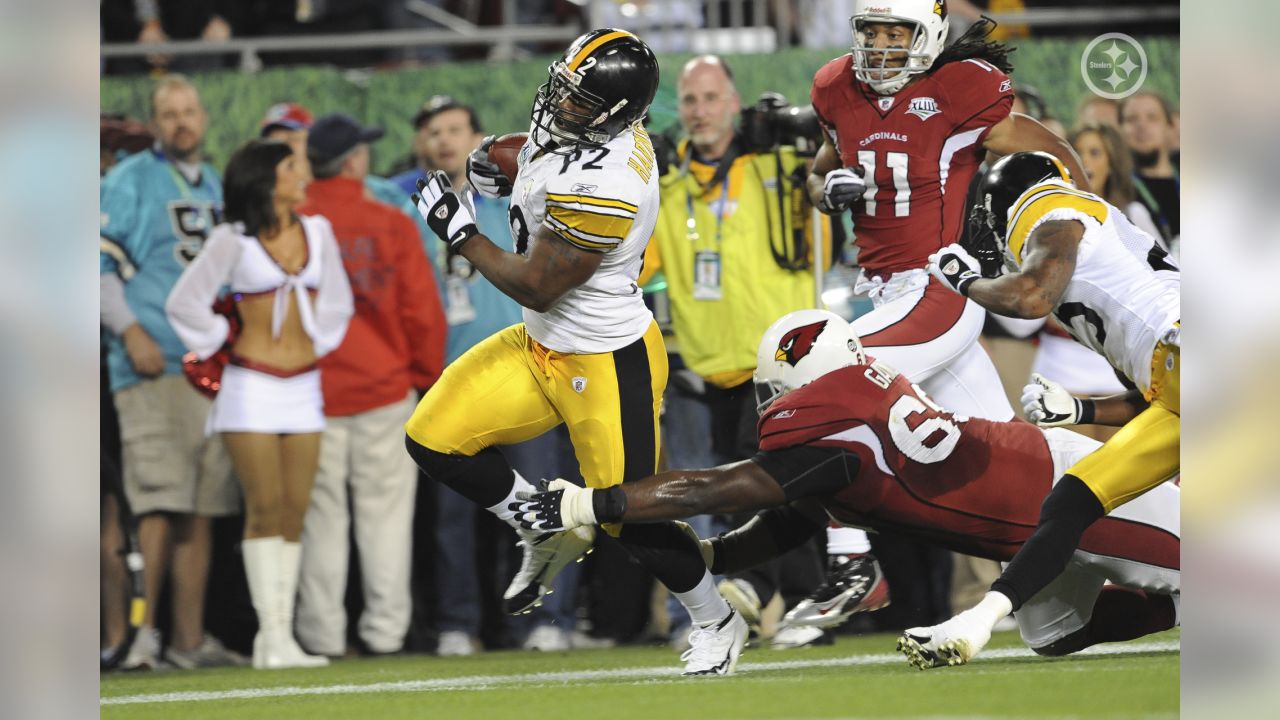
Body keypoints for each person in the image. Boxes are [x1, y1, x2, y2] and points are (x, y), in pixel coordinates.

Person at [510, 309, 1179, 660]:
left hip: (1077, 492)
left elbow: (721, 489)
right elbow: (789, 521)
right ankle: (1175, 609)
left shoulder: (840, 433)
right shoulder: (851, 433)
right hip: (1035, 500)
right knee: (1055, 632)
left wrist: (585, 502)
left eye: (773, 393)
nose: (768, 408)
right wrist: (710, 559)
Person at [406, 29, 748, 676]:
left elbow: (536, 282)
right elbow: (548, 156)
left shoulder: (612, 183)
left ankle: (718, 619)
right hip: (541, 343)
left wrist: (461, 233)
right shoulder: (593, 131)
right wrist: (505, 158)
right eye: (563, 86)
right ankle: (539, 523)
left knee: (630, 517)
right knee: (432, 439)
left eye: (579, 98)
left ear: (616, 113)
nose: (560, 103)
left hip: (604, 358)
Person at [802, 1, 1091, 624]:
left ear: (928, 37)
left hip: (938, 285)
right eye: (870, 33)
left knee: (821, 372)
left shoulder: (959, 91)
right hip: (884, 292)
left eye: (894, 34)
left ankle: (852, 560)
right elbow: (817, 175)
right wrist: (827, 190)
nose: (879, 47)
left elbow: (1057, 151)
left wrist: (1085, 236)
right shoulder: (835, 88)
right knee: (1012, 460)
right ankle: (1098, 574)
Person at [642, 54, 880, 648]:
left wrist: (809, 145)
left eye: (711, 98)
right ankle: (803, 607)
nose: (699, 112)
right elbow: (644, 268)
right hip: (711, 368)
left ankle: (750, 585)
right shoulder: (669, 184)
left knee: (767, 482)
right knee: (779, 489)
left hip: (779, 364)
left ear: (733, 101)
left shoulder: (778, 164)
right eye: (690, 100)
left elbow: (829, 208)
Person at [917, 150, 1179, 667]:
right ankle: (980, 620)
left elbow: (1031, 296)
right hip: (1177, 383)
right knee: (1068, 507)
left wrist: (964, 281)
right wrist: (1078, 407)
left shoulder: (1048, 209)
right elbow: (1153, 395)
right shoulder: (1100, 245)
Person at [166, 139, 354, 669]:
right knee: (264, 507)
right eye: (292, 166)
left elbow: (338, 299)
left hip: (304, 388)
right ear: (265, 179)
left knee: (296, 510)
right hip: (250, 386)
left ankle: (282, 639)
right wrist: (218, 336)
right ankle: (269, 635)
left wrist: (316, 340)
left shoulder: (317, 231)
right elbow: (183, 300)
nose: (303, 174)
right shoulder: (233, 240)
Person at [407, 98, 583, 655]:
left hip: (526, 375)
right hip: (452, 378)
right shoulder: (416, 211)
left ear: (480, 137)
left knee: (543, 505)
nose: (445, 141)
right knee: (454, 518)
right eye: (434, 132)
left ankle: (546, 622)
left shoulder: (520, 198)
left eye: (456, 129)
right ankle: (458, 623)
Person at [99, 75, 244, 670]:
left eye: (189, 110)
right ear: (155, 123)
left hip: (210, 369)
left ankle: (186, 641)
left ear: (203, 117)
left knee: (201, 509)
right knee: (157, 504)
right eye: (170, 112)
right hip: (154, 364)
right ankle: (141, 637)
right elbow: (94, 264)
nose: (182, 121)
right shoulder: (128, 180)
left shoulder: (212, 183)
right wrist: (130, 330)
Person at [289, 114, 446, 658]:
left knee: (320, 523)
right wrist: (425, 379)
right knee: (385, 522)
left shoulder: (292, 223)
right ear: (354, 161)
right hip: (384, 391)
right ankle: (384, 634)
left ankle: (321, 637)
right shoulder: (391, 223)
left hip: (310, 395)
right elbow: (423, 313)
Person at [1068, 123, 1163, 243]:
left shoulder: (1133, 215)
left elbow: (1163, 261)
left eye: (1094, 153)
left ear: (1111, 164)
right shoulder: (1055, 218)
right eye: (1076, 152)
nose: (1083, 160)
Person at [1119, 91, 1179, 250]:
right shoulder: (1116, 192)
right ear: (1120, 129)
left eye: (1152, 118)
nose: (1141, 126)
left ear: (1170, 126)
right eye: (1131, 119)